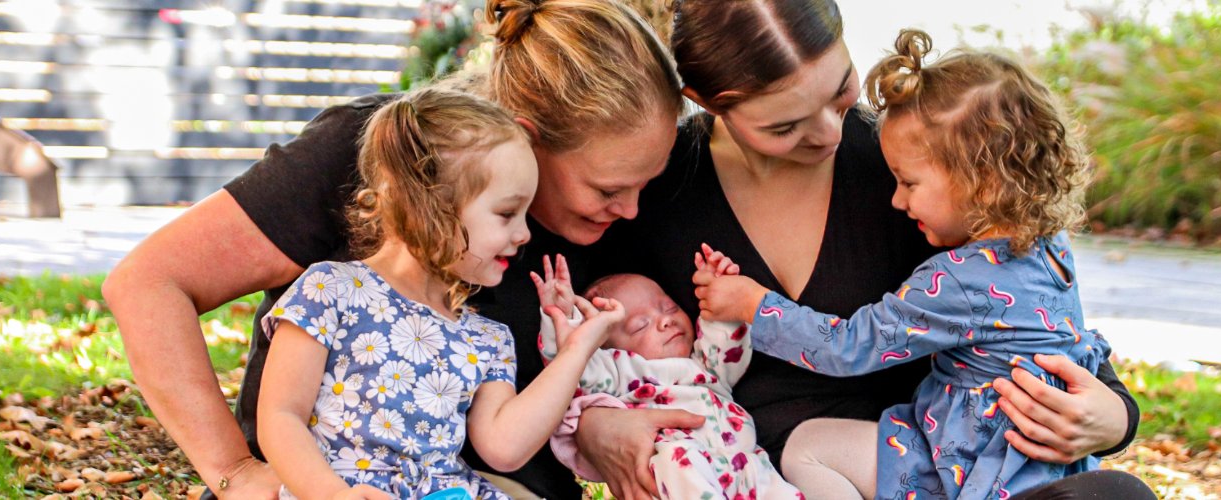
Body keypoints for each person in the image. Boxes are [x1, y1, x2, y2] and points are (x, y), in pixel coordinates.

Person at [100, 0, 685, 496]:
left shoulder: (495, 329)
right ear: (530, 140)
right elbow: (149, 284)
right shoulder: (379, 157)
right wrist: (233, 472)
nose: (632, 210)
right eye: (609, 189)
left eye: (646, 185)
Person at [574, 2, 1150, 499]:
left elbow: (1046, 333)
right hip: (741, 474)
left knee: (1116, 494)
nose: (829, 133)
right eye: (785, 125)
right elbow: (531, 346)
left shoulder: (923, 163)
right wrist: (591, 427)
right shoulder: (652, 187)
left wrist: (1113, 417)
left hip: (926, 465)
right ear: (704, 100)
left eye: (841, 88)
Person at [254, 89, 627, 499]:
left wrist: (577, 349)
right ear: (428, 205)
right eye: (506, 214)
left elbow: (505, 448)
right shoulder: (330, 289)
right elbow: (280, 414)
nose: (523, 235)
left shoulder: (486, 338)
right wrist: (329, 493)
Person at [532, 255, 801, 499]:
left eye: (669, 308)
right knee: (675, 459)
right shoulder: (620, 371)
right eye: (641, 325)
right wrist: (561, 318)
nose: (665, 321)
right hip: (677, 467)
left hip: (744, 465)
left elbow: (726, 343)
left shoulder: (705, 365)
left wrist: (718, 292)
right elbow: (570, 367)